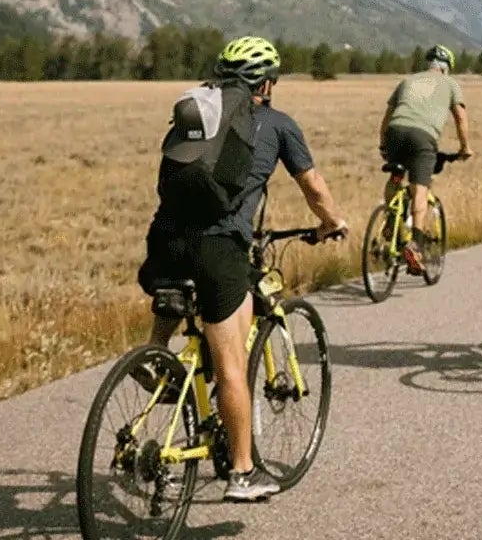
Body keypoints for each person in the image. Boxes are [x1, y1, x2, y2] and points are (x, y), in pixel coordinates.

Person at [136, 36, 348, 503]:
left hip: (164, 240)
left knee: (181, 294)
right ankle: (243, 472)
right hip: (219, 249)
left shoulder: (200, 114)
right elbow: (313, 186)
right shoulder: (278, 123)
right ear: (266, 84)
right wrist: (332, 223)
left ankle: (154, 352)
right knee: (233, 368)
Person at [377, 44, 473, 275]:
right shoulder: (450, 83)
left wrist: (383, 145)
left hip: (395, 132)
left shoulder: (407, 81)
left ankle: (390, 221)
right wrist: (465, 147)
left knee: (396, 176)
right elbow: (460, 117)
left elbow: (387, 117)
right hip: (423, 137)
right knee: (419, 187)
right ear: (447, 67)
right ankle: (416, 244)